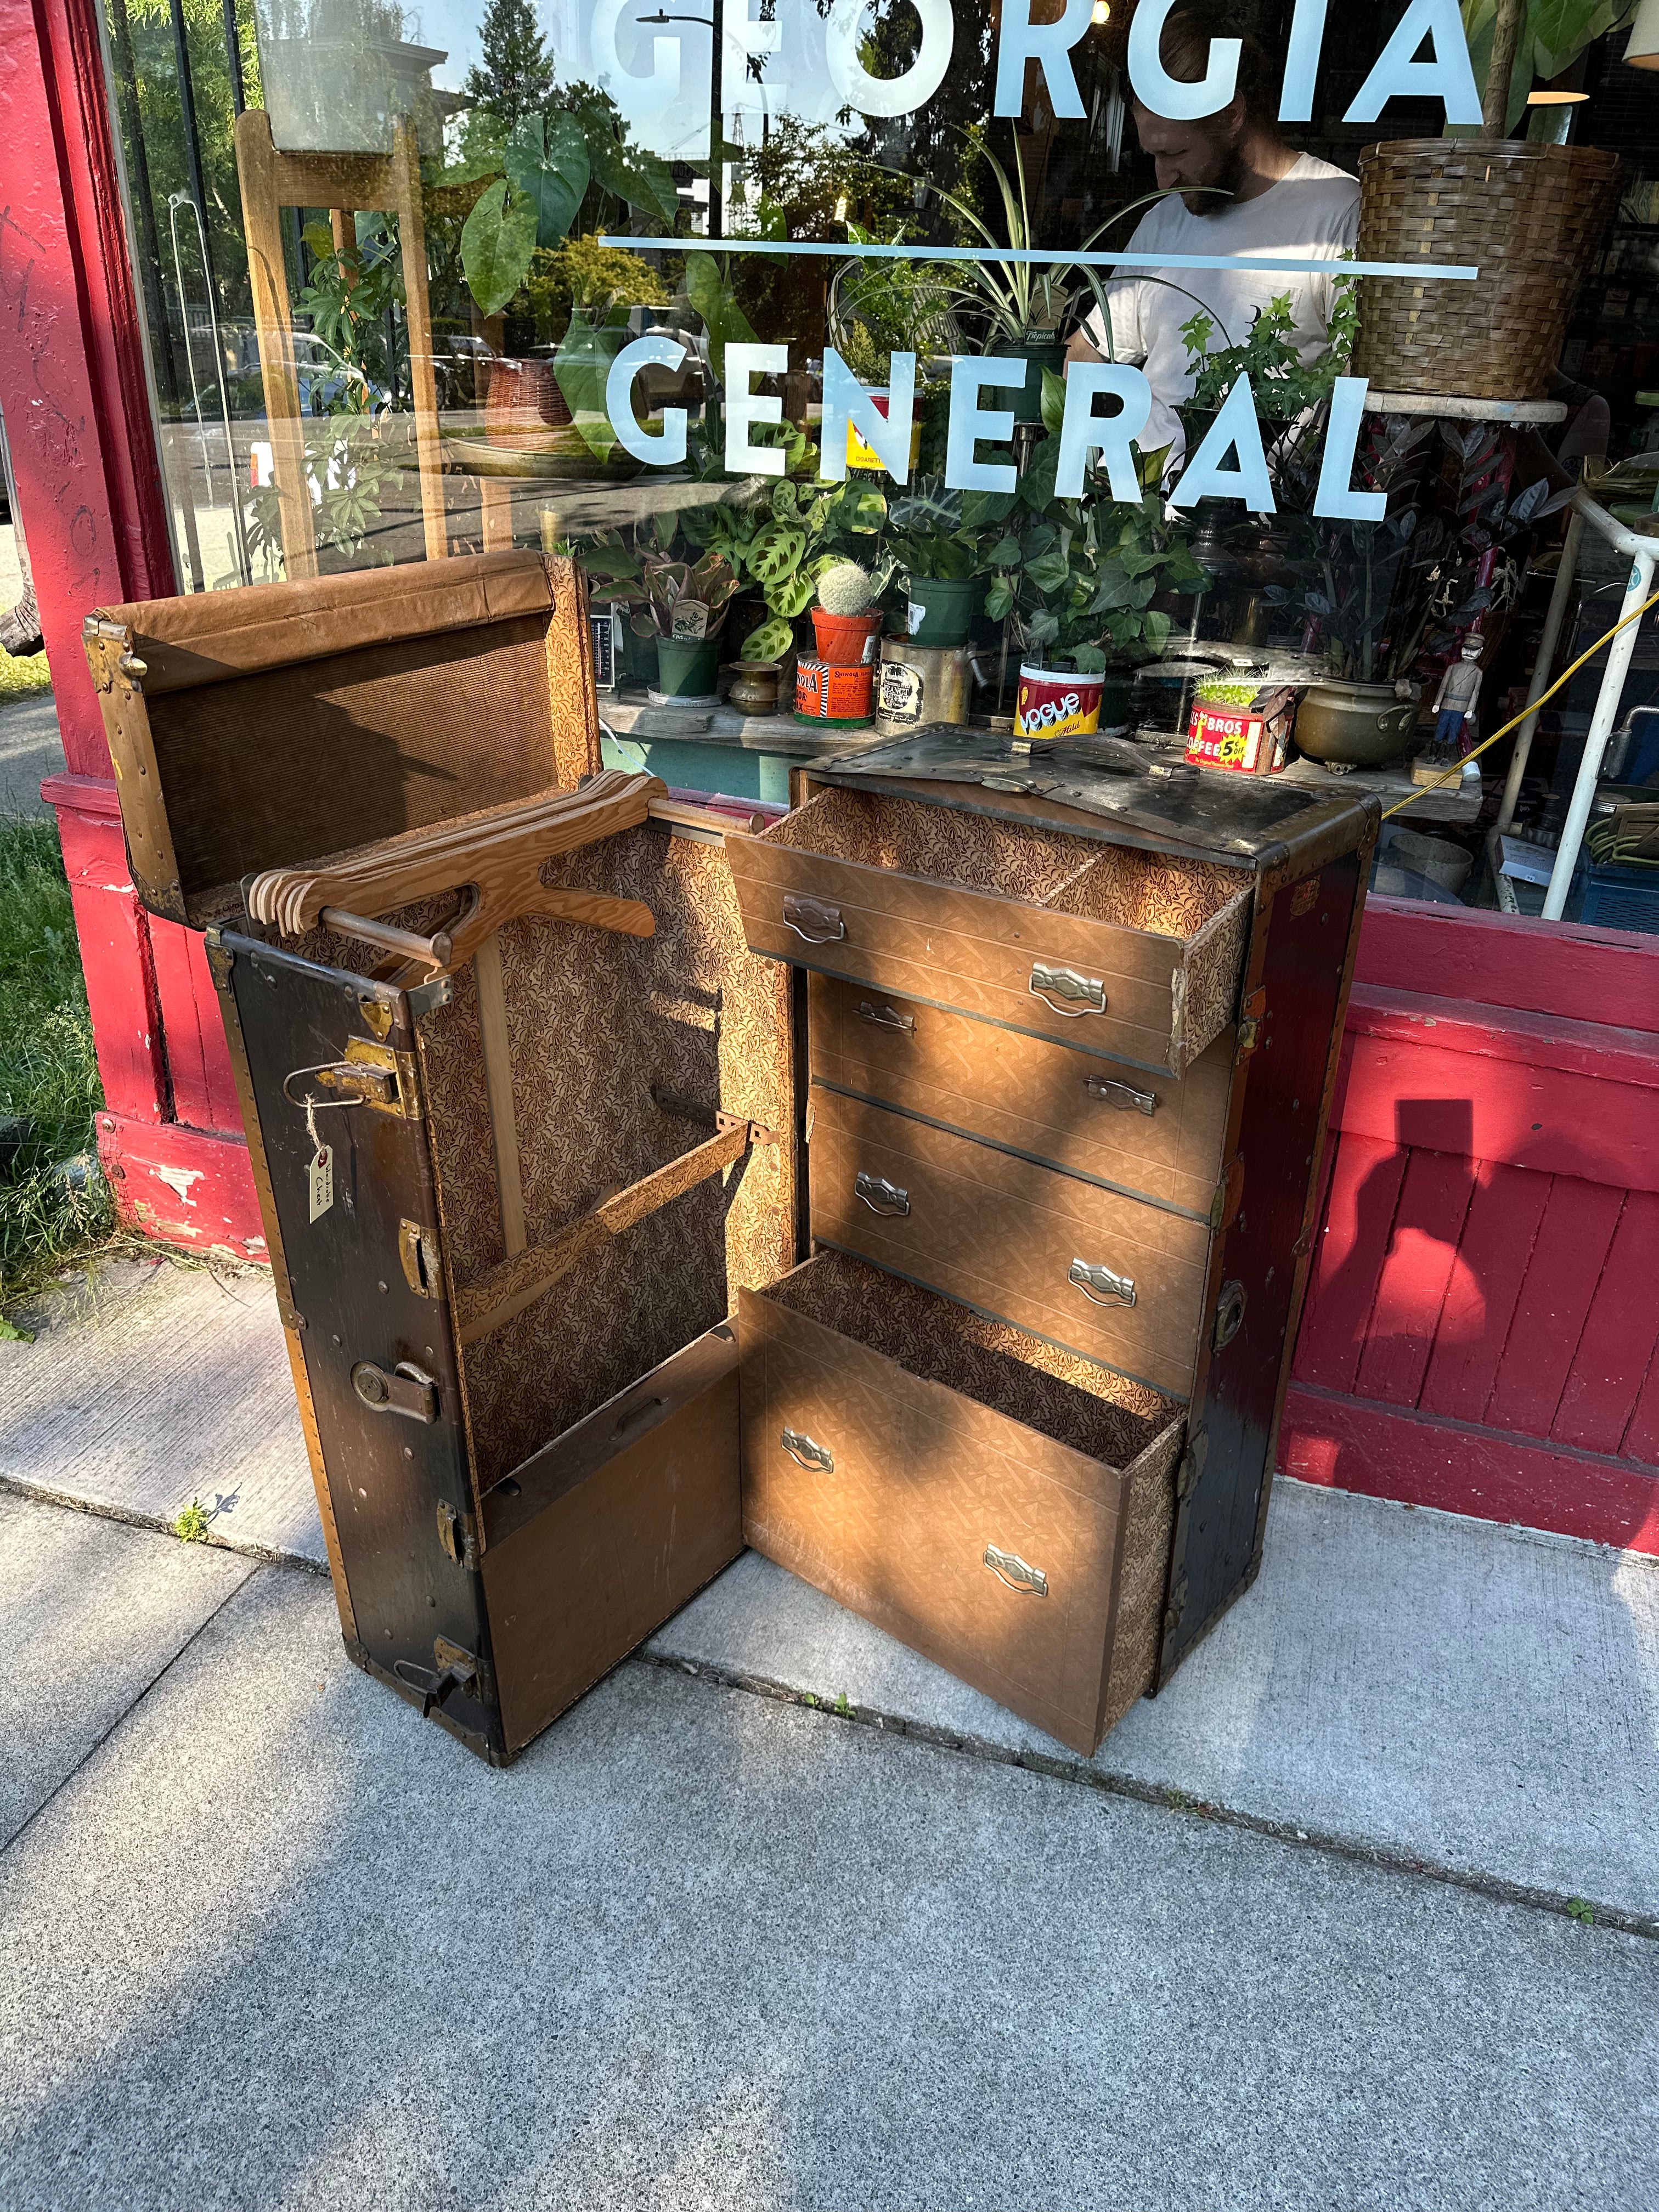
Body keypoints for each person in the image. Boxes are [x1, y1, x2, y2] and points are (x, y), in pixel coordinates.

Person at [1068, 2, 1359, 462]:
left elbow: (1361, 395)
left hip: (1246, 519)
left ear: (1231, 115)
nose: (1162, 179)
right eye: (1153, 157)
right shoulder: (1163, 220)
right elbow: (1085, 357)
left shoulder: (1338, 213)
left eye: (1176, 152)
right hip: (1127, 509)